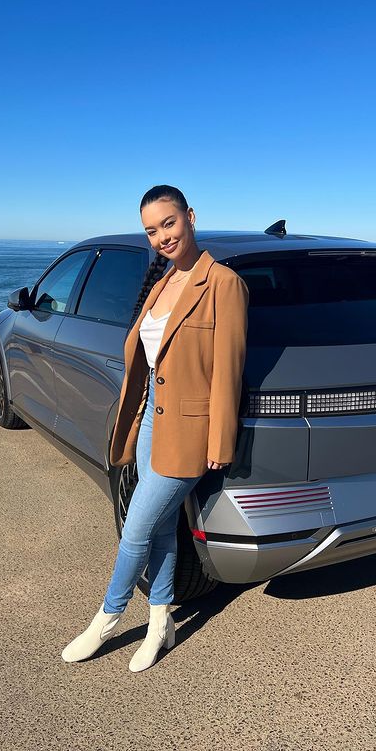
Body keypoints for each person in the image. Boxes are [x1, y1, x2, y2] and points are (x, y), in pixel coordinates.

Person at [61, 184, 249, 672]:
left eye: (168, 223)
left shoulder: (223, 283)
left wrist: (220, 440)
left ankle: (106, 618)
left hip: (190, 431)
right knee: (162, 525)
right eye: (151, 230)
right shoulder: (162, 281)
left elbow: (229, 369)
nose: (162, 236)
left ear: (189, 216)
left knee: (136, 528)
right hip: (150, 422)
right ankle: (161, 620)